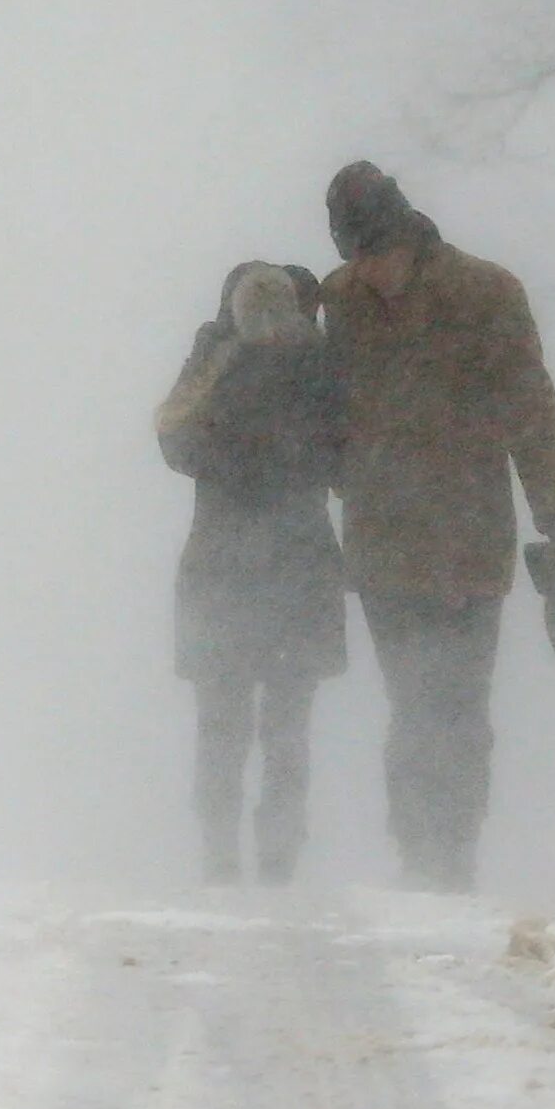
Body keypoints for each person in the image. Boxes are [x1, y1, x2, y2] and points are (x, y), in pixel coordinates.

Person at [318, 161, 555, 891]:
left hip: (468, 535)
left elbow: (533, 412)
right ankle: (416, 853)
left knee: (461, 705)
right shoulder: (338, 300)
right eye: (354, 256)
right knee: (412, 701)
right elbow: (324, 408)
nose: (368, 270)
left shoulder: (485, 294)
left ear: (405, 233)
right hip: (380, 540)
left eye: (375, 252)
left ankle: (456, 853)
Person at [157, 261, 346, 884]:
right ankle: (279, 850)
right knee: (288, 721)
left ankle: (220, 848)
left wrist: (215, 353)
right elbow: (343, 451)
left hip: (221, 562)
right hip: (300, 563)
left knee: (221, 719)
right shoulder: (319, 366)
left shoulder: (220, 365)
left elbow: (173, 438)